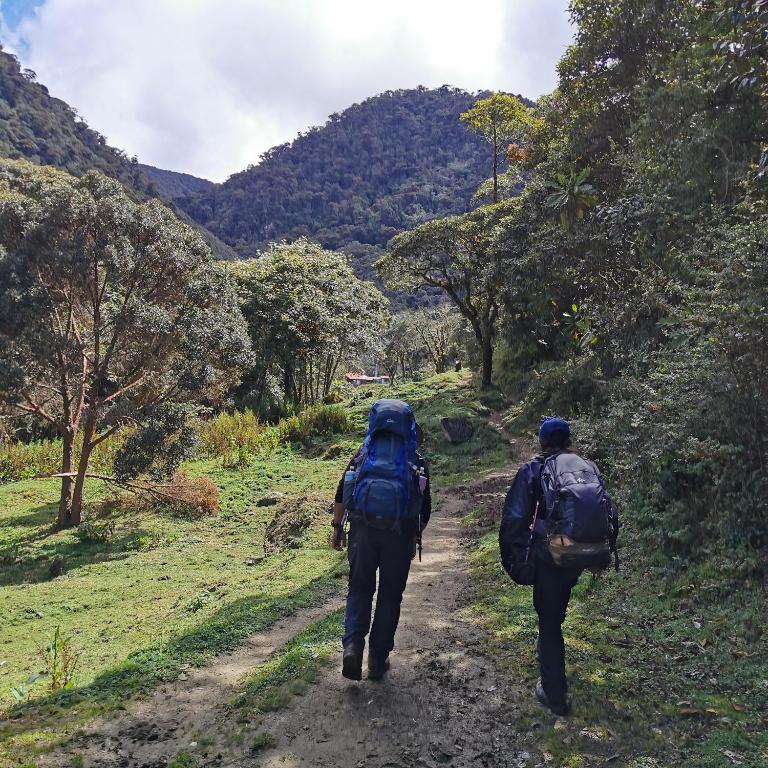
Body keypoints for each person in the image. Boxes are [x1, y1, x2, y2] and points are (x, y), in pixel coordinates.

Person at [498, 417, 618, 716]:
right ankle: (549, 662)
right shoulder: (586, 467)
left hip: (549, 555)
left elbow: (514, 519)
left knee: (549, 621)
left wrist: (515, 558)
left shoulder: (535, 470)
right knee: (554, 612)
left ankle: (555, 695)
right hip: (581, 554)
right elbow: (609, 511)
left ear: (542, 442)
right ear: (568, 440)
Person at [330, 399, 431, 682]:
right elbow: (424, 508)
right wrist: (413, 537)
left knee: (360, 588)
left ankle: (352, 646)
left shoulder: (362, 454)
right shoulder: (415, 460)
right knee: (389, 595)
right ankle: (377, 659)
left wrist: (338, 529)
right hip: (397, 535)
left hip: (362, 529)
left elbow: (343, 492)